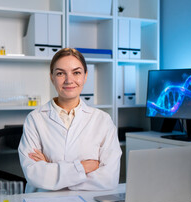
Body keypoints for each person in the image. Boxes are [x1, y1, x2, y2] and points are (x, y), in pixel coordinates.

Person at [18, 48, 122, 193]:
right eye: (60, 73)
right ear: (52, 77)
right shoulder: (35, 119)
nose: (69, 80)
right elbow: (34, 175)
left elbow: (109, 179)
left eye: (76, 72)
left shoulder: (103, 120)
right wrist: (83, 168)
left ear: (85, 76)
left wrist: (52, 169)